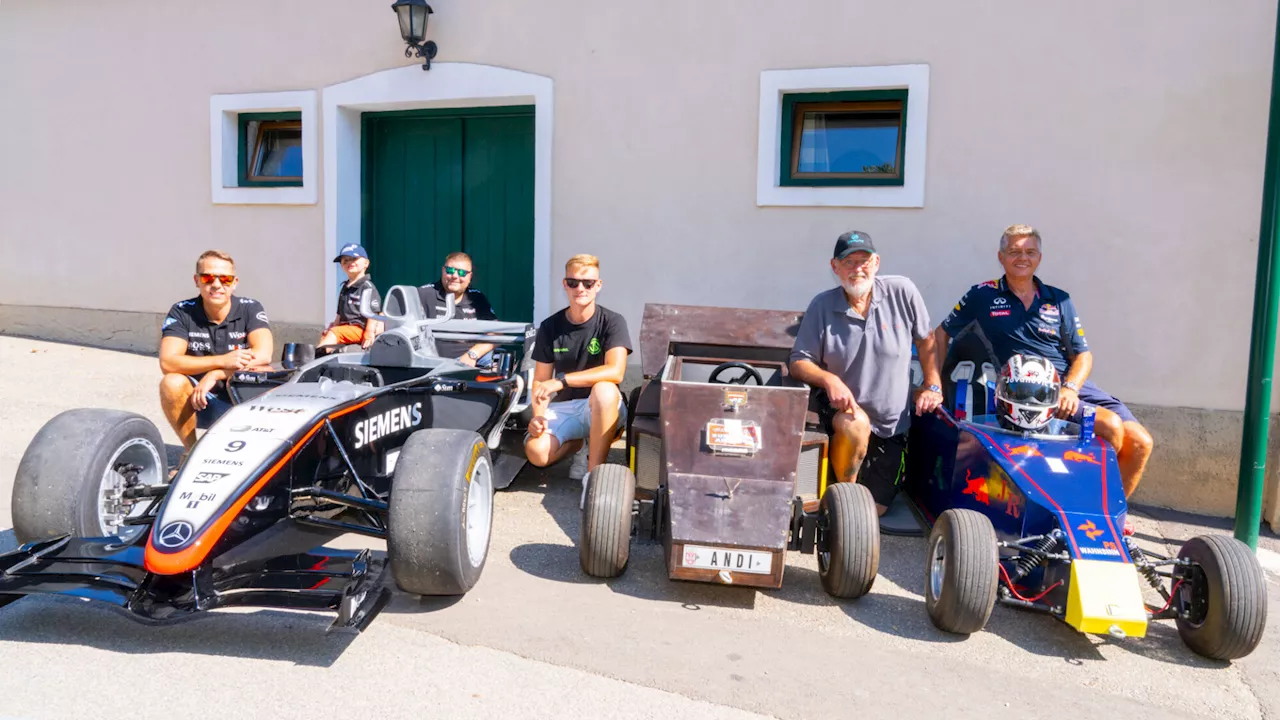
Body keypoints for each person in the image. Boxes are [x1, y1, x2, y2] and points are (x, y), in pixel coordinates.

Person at [933, 224, 1154, 509]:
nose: (1022, 258)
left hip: (1070, 386)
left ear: (1039, 257)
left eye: (1030, 252)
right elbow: (940, 334)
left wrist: (1071, 389)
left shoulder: (1059, 299)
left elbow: (1083, 355)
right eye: (1014, 252)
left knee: (1140, 442)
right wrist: (934, 385)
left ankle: (1111, 515)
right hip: (1026, 390)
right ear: (1001, 257)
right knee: (1110, 426)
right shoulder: (982, 295)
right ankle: (1085, 512)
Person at [789, 231, 943, 516]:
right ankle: (844, 495)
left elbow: (926, 340)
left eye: (864, 261)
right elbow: (799, 362)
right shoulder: (822, 305)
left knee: (876, 511)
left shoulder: (902, 291)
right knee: (855, 426)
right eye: (848, 262)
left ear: (877, 263)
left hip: (891, 426)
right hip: (842, 417)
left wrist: (933, 385)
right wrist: (829, 379)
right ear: (835, 268)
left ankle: (846, 498)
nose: (857, 269)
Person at [524, 254, 632, 487]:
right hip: (566, 407)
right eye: (573, 282)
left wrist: (562, 381)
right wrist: (538, 416)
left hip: (603, 405)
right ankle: (579, 445)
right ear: (565, 284)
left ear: (598, 286)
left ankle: (594, 477)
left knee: (604, 390)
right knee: (536, 452)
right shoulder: (550, 326)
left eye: (588, 283)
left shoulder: (613, 321)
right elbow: (541, 381)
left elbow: (616, 372)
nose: (580, 288)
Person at [159, 250, 273, 451]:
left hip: (244, 398)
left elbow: (263, 354)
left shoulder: (250, 308)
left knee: (268, 373)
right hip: (200, 400)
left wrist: (216, 373)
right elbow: (168, 362)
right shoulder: (181, 311)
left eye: (225, 279)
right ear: (197, 280)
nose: (217, 285)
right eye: (208, 277)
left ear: (235, 282)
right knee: (172, 382)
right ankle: (191, 452)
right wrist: (222, 360)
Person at [417, 251, 499, 365]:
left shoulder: (477, 298)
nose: (455, 276)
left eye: (462, 273)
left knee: (504, 369)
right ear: (443, 270)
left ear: (470, 276)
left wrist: (472, 355)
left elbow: (496, 332)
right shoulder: (424, 294)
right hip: (433, 363)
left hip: (472, 360)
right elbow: (388, 318)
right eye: (450, 270)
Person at [318, 243, 382, 351]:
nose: (349, 263)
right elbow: (339, 314)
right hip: (345, 328)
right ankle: (320, 356)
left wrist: (369, 332)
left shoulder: (367, 287)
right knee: (328, 334)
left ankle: (317, 358)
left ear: (366, 263)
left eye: (354, 259)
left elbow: (373, 313)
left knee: (335, 333)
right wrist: (333, 327)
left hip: (360, 328)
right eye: (345, 261)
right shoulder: (345, 288)